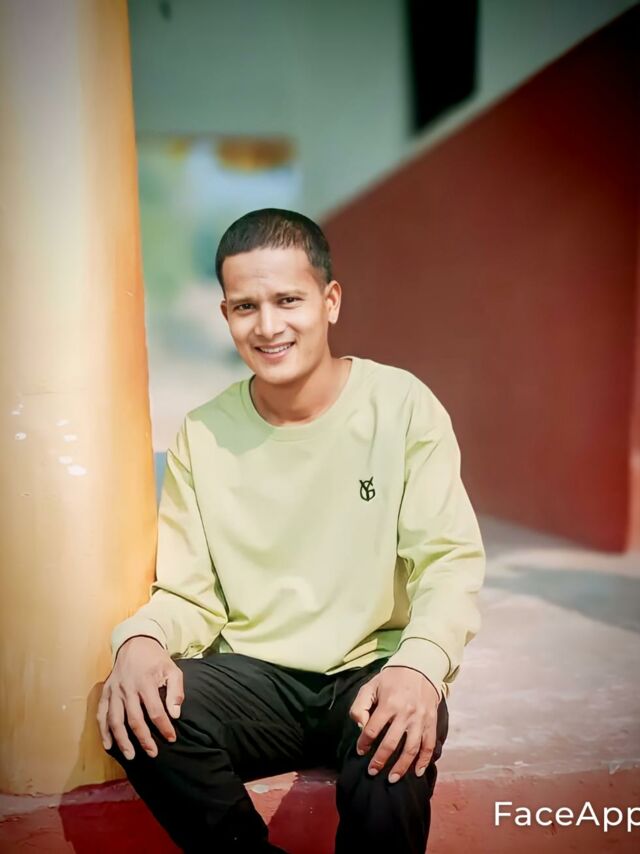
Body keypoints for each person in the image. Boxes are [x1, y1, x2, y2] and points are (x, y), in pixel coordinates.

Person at [97, 208, 485, 854]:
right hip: (258, 679)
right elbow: (190, 592)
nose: (268, 326)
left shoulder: (401, 406)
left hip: (372, 667)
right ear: (225, 315)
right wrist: (140, 640)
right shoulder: (204, 433)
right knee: (137, 711)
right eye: (245, 307)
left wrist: (421, 666)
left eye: (288, 300)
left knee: (396, 751)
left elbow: (446, 561)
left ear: (330, 302)